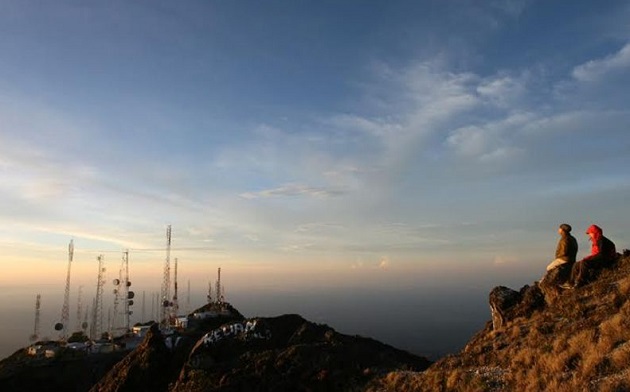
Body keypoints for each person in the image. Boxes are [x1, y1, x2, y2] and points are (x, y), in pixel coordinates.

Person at [560, 224, 617, 289]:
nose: (589, 235)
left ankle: (580, 282)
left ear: (595, 232)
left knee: (584, 263)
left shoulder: (601, 240)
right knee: (576, 264)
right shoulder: (597, 240)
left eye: (590, 233)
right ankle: (571, 282)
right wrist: (590, 258)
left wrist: (589, 258)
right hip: (601, 258)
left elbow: (601, 254)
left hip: (606, 260)